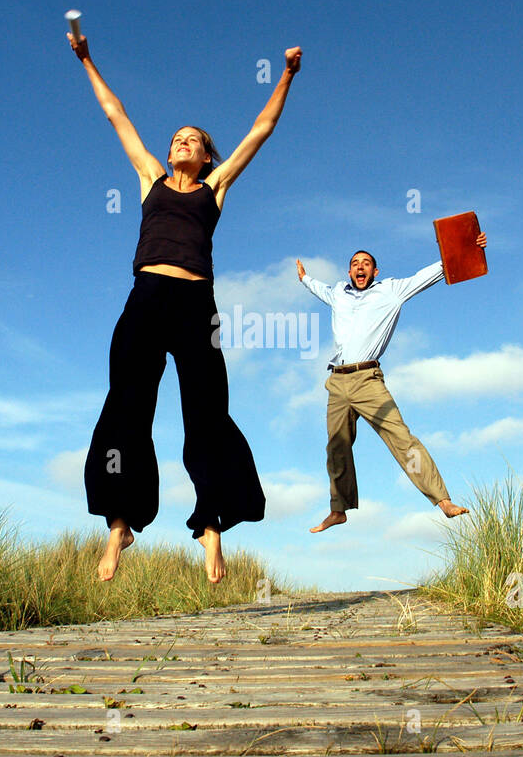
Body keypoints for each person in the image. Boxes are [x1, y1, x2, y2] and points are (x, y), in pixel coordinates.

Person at [68, 29, 302, 582]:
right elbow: (114, 113)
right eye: (177, 137)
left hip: (197, 302)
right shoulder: (150, 179)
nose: (182, 142)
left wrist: (287, 73)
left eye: (193, 139)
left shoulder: (214, 188)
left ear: (206, 155)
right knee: (126, 404)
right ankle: (119, 523)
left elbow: (261, 131)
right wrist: (87, 60)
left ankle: (211, 526)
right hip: (146, 297)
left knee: (207, 412)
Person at [296, 233, 486, 532]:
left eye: (367, 263)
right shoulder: (338, 293)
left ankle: (442, 499)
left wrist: (466, 245)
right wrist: (305, 278)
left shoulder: (392, 290)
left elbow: (430, 274)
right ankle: (339, 509)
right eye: (355, 263)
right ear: (349, 272)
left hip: (368, 379)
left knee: (400, 438)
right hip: (337, 381)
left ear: (375, 271)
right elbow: (318, 288)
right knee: (336, 447)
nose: (360, 267)